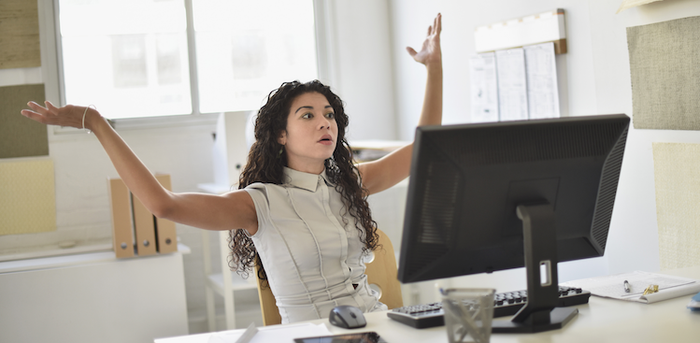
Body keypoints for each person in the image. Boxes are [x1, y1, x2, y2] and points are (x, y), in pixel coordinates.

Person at [21, 13, 443, 324]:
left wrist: (433, 68)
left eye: (329, 114)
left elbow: (426, 148)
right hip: (317, 336)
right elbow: (162, 205)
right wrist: (96, 123)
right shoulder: (259, 203)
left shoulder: (350, 183)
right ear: (280, 135)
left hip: (378, 326)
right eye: (308, 115)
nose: (324, 123)